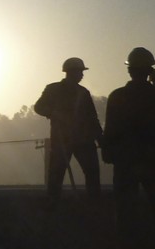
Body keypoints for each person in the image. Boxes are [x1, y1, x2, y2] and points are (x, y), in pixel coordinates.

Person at [103, 47, 155, 208]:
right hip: (154, 159)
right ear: (150, 71)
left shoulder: (117, 96)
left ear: (129, 70)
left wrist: (108, 152)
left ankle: (127, 234)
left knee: (125, 209)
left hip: (125, 160)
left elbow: (110, 129)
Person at [33, 58, 103, 202]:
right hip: (62, 140)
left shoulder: (83, 92)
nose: (82, 75)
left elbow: (92, 118)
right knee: (56, 174)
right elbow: (39, 107)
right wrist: (53, 113)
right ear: (71, 72)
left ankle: (94, 203)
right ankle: (53, 203)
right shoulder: (53, 89)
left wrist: (100, 137)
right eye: (80, 72)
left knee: (92, 172)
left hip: (83, 140)